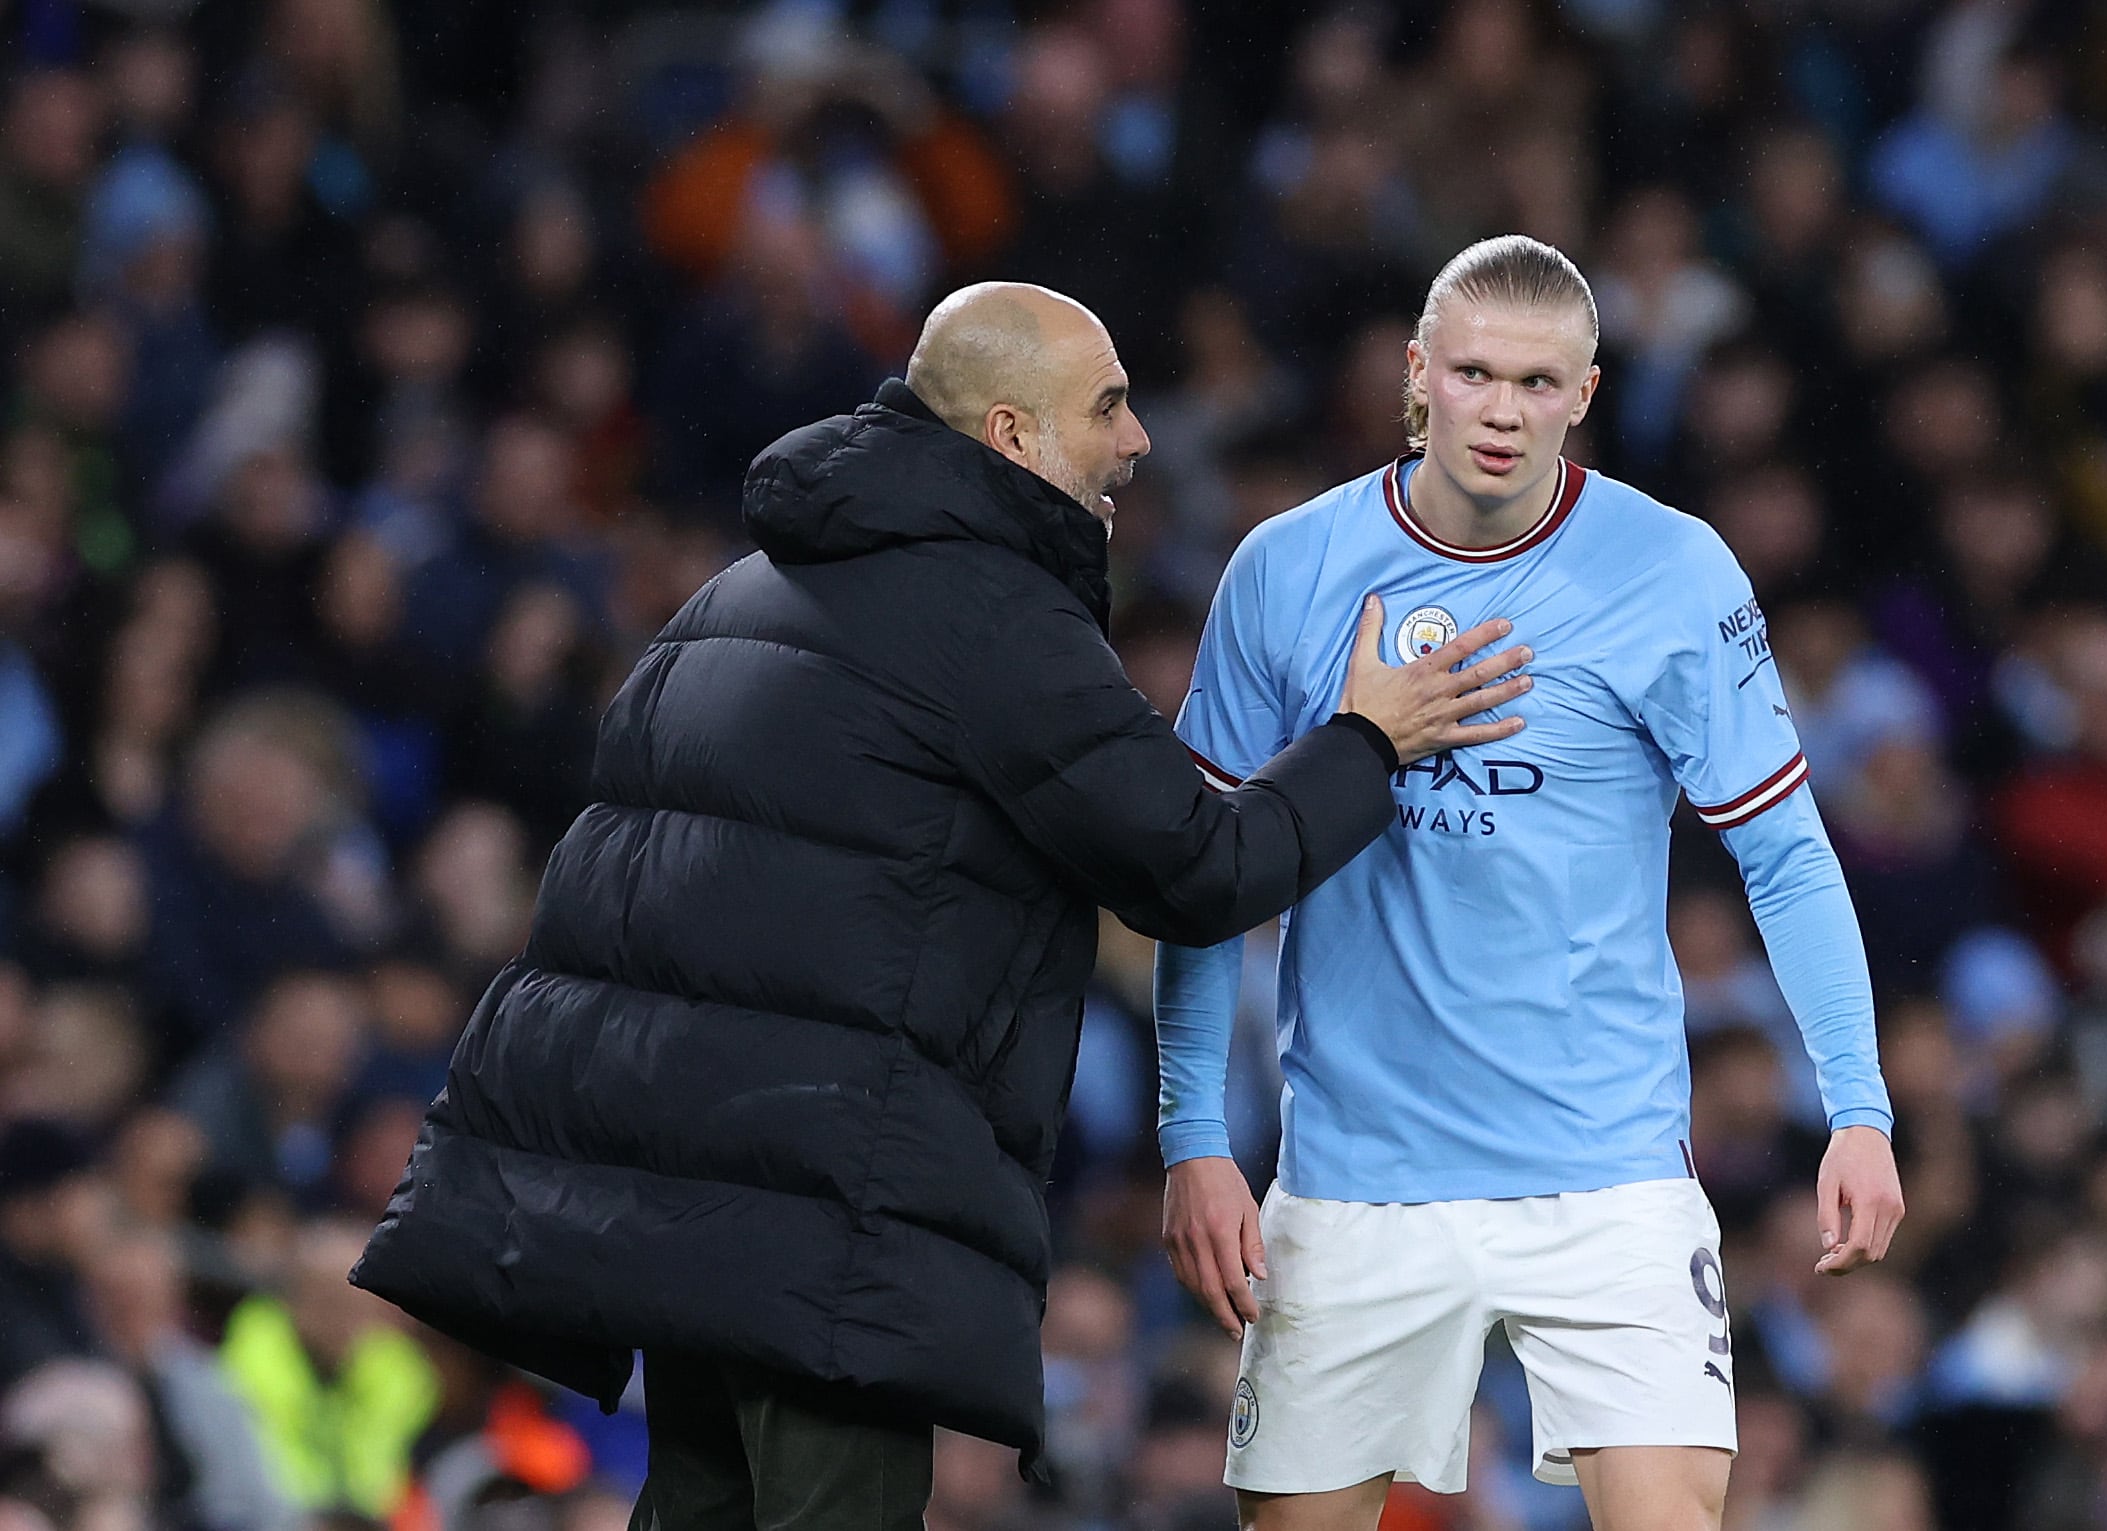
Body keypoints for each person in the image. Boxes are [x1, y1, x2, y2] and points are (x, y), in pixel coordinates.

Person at [351, 281, 1535, 1531]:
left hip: (685, 1193)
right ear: (1012, 436)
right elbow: (1199, 870)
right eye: (1110, 406)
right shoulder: (989, 617)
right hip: (826, 1203)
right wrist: (1364, 740)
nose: (1139, 440)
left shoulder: (732, 598)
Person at [1155, 236, 1906, 1531]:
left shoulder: (1672, 570)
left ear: (1587, 394)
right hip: (1354, 1167)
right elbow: (1201, 871)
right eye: (1474, 373)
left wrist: (1859, 1104)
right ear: (1415, 376)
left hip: (1605, 1169)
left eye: (1538, 382)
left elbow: (1783, 850)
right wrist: (1193, 1138)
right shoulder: (1286, 567)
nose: (1502, 410)